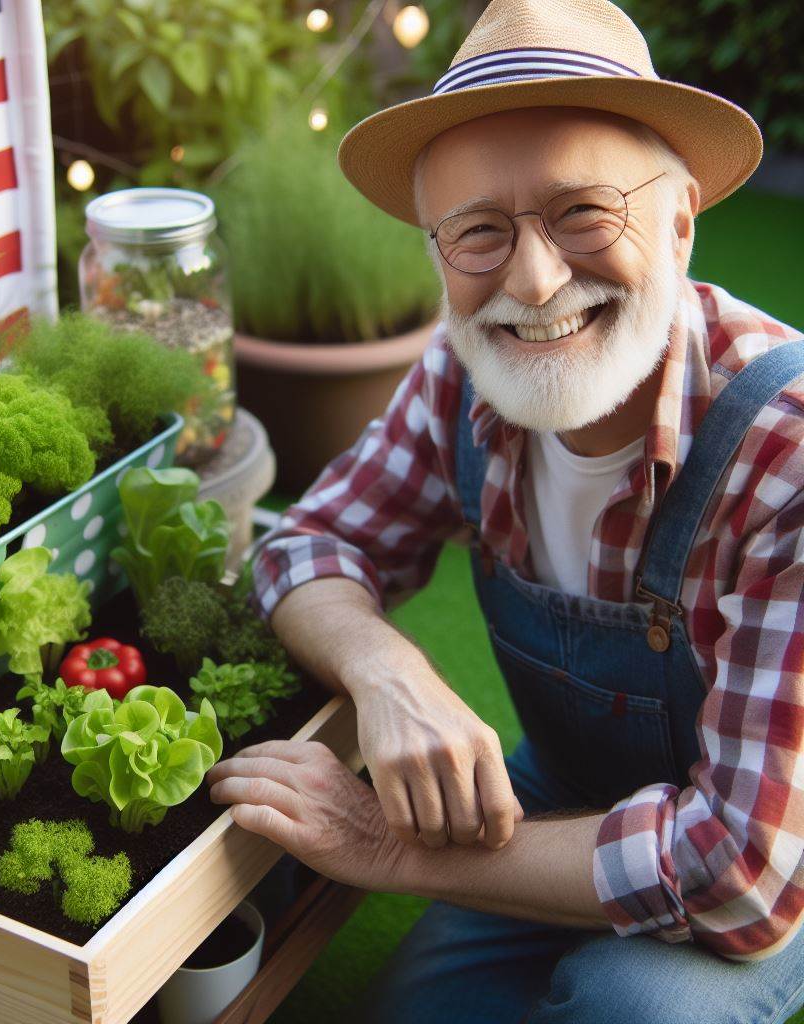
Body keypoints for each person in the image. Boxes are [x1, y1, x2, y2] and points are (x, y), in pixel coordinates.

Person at [205, 0, 804, 1020]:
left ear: (681, 221)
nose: (532, 281)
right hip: (570, 791)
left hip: (779, 843)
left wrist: (388, 848)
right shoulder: (461, 373)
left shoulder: (787, 451)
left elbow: (741, 871)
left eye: (585, 212)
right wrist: (385, 666)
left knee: (628, 1005)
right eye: (478, 232)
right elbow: (309, 542)